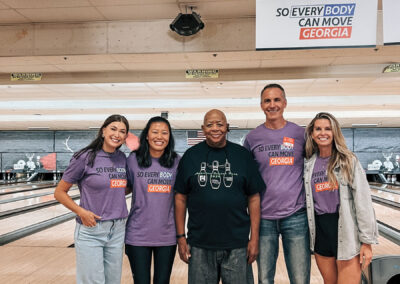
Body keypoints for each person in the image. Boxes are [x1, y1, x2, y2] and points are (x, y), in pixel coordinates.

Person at [174, 109, 265, 284]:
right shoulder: (190, 156)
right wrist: (180, 237)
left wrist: (254, 239)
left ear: (227, 127)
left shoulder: (243, 156)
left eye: (219, 124)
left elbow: (254, 197)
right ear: (203, 129)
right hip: (199, 244)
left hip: (237, 244)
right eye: (209, 125)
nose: (215, 128)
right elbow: (180, 197)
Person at [243, 83, 310, 284]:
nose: (272, 105)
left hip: (296, 215)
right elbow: (247, 177)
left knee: (299, 278)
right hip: (263, 218)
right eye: (267, 100)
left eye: (276, 100)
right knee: (264, 279)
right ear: (261, 105)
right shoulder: (252, 138)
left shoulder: (300, 134)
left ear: (285, 103)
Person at [54, 114, 129, 284]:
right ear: (103, 131)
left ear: (125, 137)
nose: (117, 134)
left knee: (113, 281)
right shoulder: (85, 157)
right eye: (113, 129)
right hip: (92, 229)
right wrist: (81, 212)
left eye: (122, 131)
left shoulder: (121, 158)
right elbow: (59, 192)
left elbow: (118, 189)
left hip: (117, 229)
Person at [304, 112, 378, 284]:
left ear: (334, 132)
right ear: (312, 134)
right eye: (318, 129)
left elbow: (363, 202)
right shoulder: (308, 164)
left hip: (346, 231)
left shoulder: (348, 160)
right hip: (321, 232)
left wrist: (366, 242)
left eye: (328, 129)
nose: (323, 133)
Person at [125, 116, 180, 284]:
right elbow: (122, 188)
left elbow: (183, 196)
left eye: (164, 133)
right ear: (147, 136)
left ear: (169, 137)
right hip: (137, 234)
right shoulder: (133, 160)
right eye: (155, 132)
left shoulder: (176, 161)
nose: (159, 136)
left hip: (167, 235)